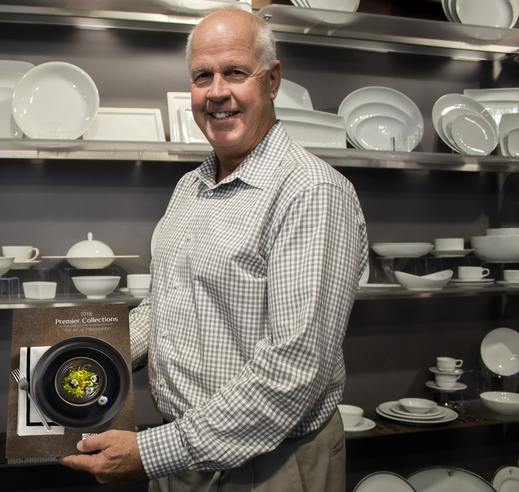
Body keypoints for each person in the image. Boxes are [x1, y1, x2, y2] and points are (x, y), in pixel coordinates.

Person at [58, 7, 369, 491]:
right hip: (183, 454)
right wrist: (78, 359)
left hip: (271, 465)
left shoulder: (310, 191)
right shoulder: (190, 186)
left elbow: (295, 371)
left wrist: (151, 452)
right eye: (203, 76)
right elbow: (164, 308)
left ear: (272, 81)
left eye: (235, 73)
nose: (217, 92)